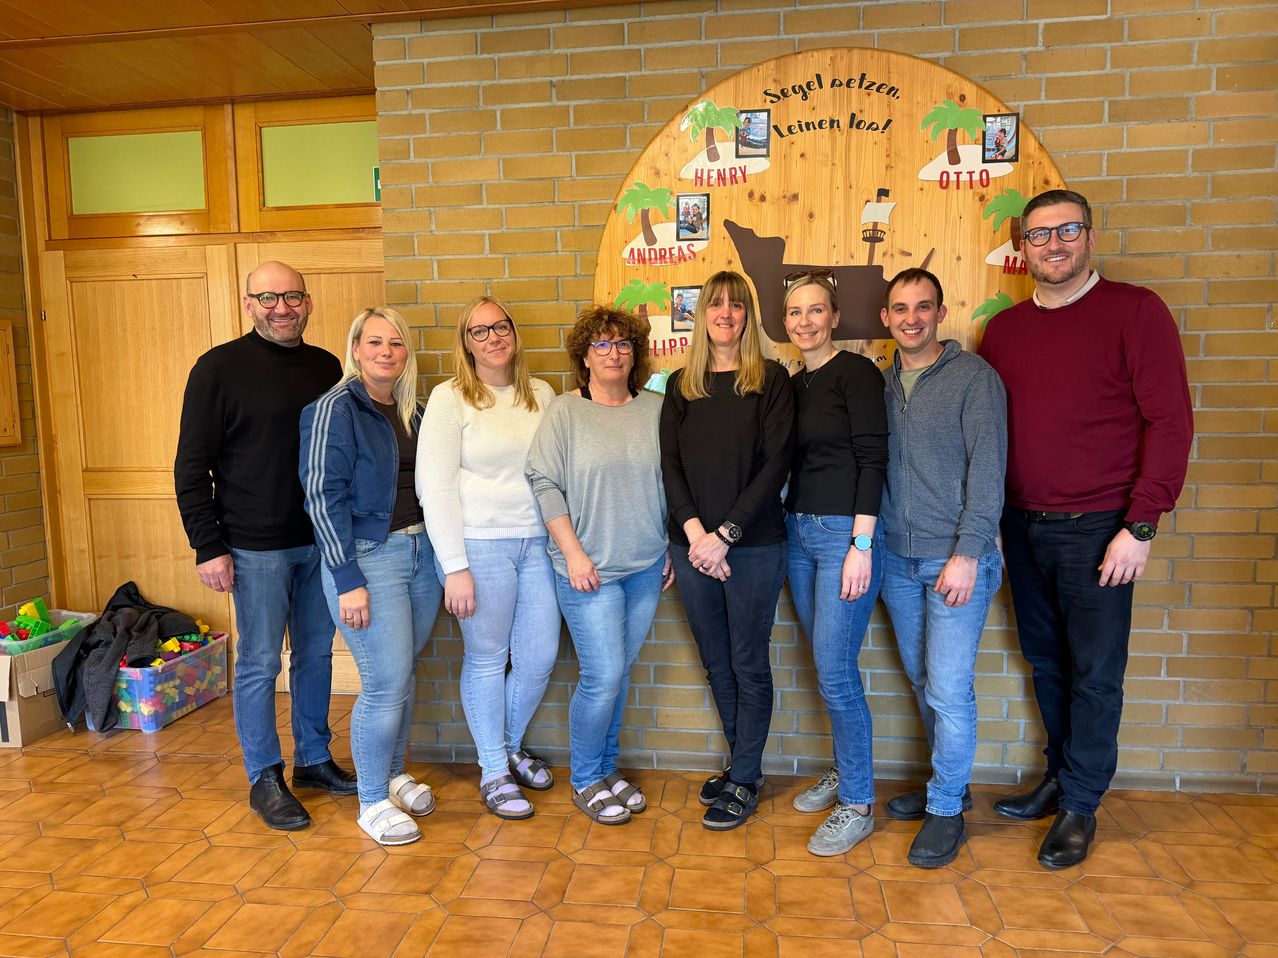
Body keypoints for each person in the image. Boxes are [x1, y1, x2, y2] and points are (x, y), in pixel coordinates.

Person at [979, 189, 1193, 868]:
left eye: (1066, 230)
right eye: (1039, 236)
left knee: (1096, 674)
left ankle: (1081, 803)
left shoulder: (1136, 311)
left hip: (1102, 529)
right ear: (1023, 249)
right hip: (1020, 527)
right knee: (1047, 663)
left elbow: (1171, 422)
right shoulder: (1005, 332)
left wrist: (1142, 524)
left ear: (1089, 237)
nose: (1053, 245)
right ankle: (1058, 776)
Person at [175, 261, 354, 831]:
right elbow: (190, 466)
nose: (283, 307)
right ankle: (264, 776)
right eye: (269, 298)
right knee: (256, 663)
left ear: (308, 301)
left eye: (294, 296)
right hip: (253, 548)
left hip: (320, 543)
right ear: (249, 303)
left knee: (316, 656)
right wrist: (209, 546)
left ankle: (314, 758)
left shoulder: (328, 366)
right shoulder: (217, 369)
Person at [877, 268, 1007, 868]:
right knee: (926, 685)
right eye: (900, 308)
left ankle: (947, 808)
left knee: (950, 692)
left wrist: (968, 553)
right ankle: (943, 787)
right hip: (897, 562)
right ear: (886, 317)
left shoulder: (974, 380)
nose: (911, 318)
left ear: (940, 312)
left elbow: (988, 472)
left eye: (922, 307)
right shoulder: (880, 384)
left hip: (955, 560)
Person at [525, 305, 674, 825]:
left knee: (619, 673)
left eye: (623, 345)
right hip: (587, 569)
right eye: (602, 345)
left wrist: (669, 548)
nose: (614, 353)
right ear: (584, 356)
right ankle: (587, 778)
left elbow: (671, 484)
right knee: (603, 673)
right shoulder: (566, 412)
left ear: (636, 354)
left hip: (645, 566)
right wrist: (572, 554)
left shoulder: (654, 410)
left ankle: (607, 768)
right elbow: (543, 482)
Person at [299, 308, 443, 845]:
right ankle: (372, 800)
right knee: (383, 684)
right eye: (375, 342)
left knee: (402, 674)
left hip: (421, 554)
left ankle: (392, 772)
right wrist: (346, 577)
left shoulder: (416, 412)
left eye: (397, 344)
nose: (386, 351)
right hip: (367, 558)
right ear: (356, 348)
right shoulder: (333, 409)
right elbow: (321, 496)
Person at [660, 270, 795, 830]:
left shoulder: (772, 380)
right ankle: (746, 765)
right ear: (701, 316)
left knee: (748, 663)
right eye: (714, 304)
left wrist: (726, 536)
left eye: (736, 305)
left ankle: (743, 778)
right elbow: (670, 466)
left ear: (748, 315)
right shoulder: (680, 385)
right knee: (717, 664)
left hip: (754, 548)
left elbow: (776, 465)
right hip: (692, 549)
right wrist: (696, 535)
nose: (725, 313)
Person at [417, 296, 560, 820]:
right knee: (485, 657)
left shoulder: (541, 394)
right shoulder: (450, 398)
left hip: (537, 544)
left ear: (513, 333)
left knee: (539, 656)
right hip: (478, 547)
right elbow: (433, 487)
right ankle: (494, 769)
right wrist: (454, 565)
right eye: (479, 331)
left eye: (500, 326)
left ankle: (508, 747)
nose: (493, 337)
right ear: (466, 343)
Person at [780, 272, 888, 857]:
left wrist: (862, 545)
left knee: (837, 672)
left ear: (835, 317)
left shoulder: (857, 374)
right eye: (795, 312)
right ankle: (847, 773)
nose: (805, 321)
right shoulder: (797, 384)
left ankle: (858, 801)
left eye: (815, 311)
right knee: (826, 666)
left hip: (844, 537)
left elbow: (874, 461)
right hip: (799, 535)